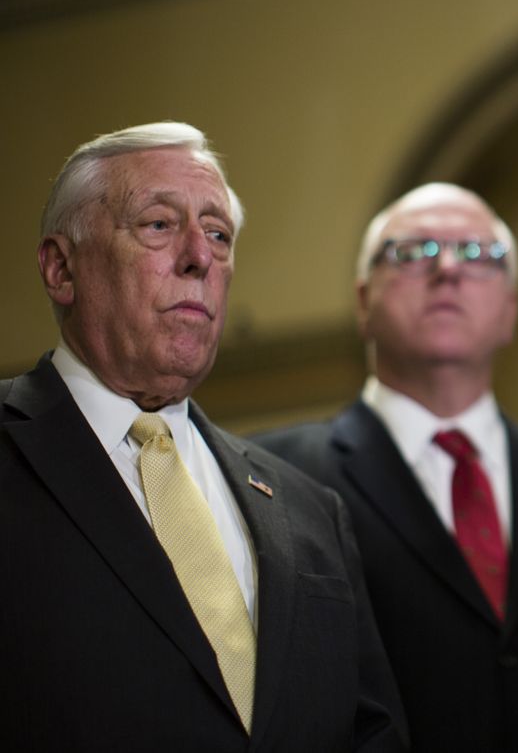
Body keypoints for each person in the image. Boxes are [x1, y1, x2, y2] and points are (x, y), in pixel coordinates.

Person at [0, 122, 406, 752]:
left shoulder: (309, 510)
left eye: (218, 234)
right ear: (60, 268)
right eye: (159, 225)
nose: (199, 256)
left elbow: (373, 731)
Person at [253, 181, 518, 752]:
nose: (450, 271)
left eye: (480, 256)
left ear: (509, 311)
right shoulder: (273, 480)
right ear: (362, 303)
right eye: (415, 252)